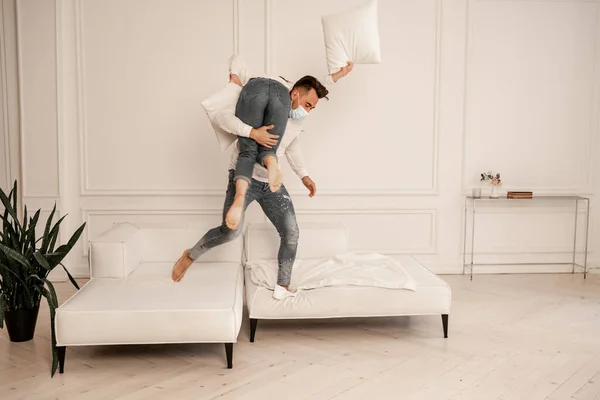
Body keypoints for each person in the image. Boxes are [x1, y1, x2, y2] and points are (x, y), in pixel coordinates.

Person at [171, 56, 354, 300]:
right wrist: (252, 132)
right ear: (294, 94)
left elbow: (292, 144)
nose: (307, 112)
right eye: (308, 105)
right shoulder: (268, 100)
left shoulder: (297, 118)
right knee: (230, 232)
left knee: (291, 232)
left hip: (271, 183)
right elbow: (222, 118)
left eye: (312, 108)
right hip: (243, 176)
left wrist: (304, 175)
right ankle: (190, 255)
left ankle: (283, 287)